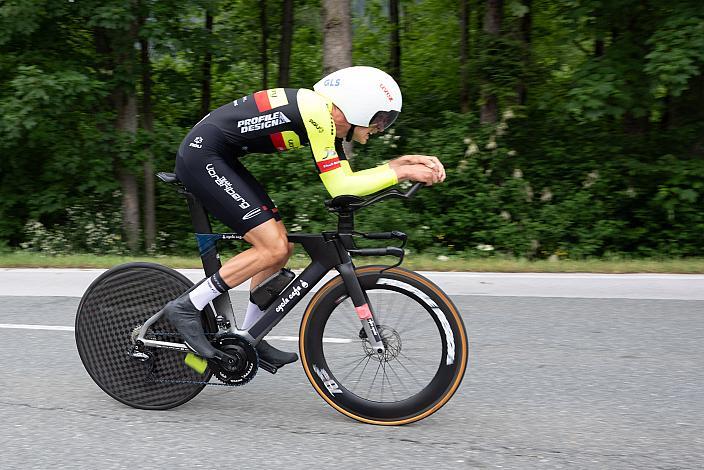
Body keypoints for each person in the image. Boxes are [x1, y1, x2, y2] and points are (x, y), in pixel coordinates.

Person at [161, 66, 446, 367]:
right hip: (202, 158)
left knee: (281, 248)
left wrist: (398, 163)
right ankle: (187, 305)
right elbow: (341, 187)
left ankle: (249, 337)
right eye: (380, 118)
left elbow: (347, 180)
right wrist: (401, 172)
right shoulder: (317, 113)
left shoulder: (322, 118)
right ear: (356, 106)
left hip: (218, 157)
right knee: (271, 246)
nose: (380, 128)